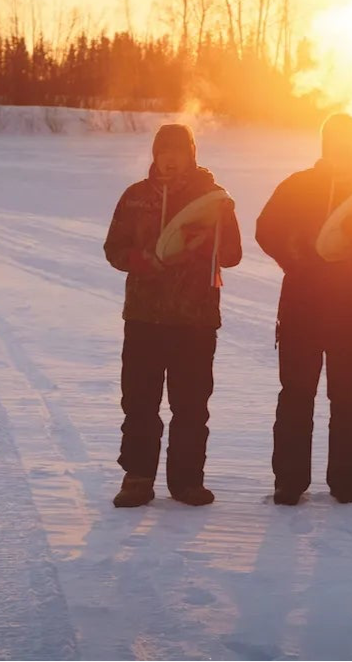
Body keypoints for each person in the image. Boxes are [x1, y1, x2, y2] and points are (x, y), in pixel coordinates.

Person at [255, 113, 352, 505]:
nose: (341, 151)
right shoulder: (299, 186)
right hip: (301, 309)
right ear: (324, 145)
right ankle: (289, 481)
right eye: (334, 144)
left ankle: (346, 481)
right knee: (295, 395)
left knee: (348, 399)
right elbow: (266, 229)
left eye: (348, 144)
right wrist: (297, 254)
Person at [103, 122, 242, 508]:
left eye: (177, 152)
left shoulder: (213, 200)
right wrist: (142, 261)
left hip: (195, 320)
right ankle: (138, 477)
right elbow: (114, 248)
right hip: (144, 318)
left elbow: (232, 255)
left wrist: (206, 240)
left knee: (191, 404)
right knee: (140, 401)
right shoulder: (135, 197)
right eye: (163, 151)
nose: (169, 159)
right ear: (155, 154)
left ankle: (186, 481)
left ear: (191, 154)